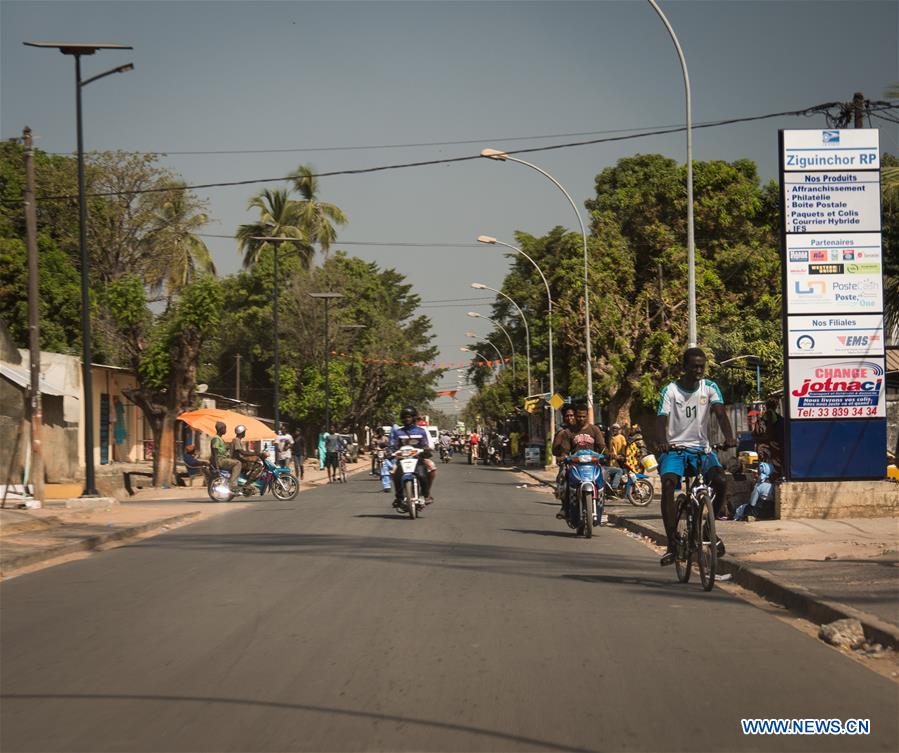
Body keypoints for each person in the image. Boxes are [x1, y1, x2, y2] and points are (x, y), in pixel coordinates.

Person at [657, 347, 737, 567]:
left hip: (702, 450)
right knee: (667, 485)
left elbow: (720, 413)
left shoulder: (709, 387)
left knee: (721, 480)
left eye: (702, 366)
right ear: (684, 367)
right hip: (675, 450)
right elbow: (661, 419)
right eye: (694, 366)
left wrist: (730, 437)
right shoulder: (670, 390)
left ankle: (707, 529)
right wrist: (662, 441)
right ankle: (672, 544)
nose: (699, 370)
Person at [554, 403, 606, 518]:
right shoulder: (569, 432)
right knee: (565, 478)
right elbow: (565, 450)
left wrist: (610, 454)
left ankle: (601, 506)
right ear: (576, 416)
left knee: (603, 476)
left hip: (592, 464)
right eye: (579, 416)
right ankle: (565, 506)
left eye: (583, 416)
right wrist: (563, 456)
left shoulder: (594, 430)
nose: (581, 419)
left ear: (588, 416)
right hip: (575, 465)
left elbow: (602, 446)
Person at [388, 406, 436, 505]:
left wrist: (425, 450)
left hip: (419, 459)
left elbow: (426, 444)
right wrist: (390, 452)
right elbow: (393, 445)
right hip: (402, 460)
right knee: (394, 474)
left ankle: (425, 494)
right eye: (404, 417)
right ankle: (399, 497)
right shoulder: (398, 432)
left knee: (424, 474)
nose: (407, 419)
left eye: (409, 417)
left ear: (414, 418)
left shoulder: (421, 431)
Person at [734, 452, 776, 521]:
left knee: (741, 508)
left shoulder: (759, 486)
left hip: (759, 512)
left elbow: (752, 503)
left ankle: (736, 519)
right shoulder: (774, 485)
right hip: (770, 512)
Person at [752, 397, 785, 475]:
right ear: (776, 406)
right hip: (775, 449)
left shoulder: (762, 420)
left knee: (765, 470)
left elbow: (755, 434)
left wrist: (761, 439)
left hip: (766, 450)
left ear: (766, 406)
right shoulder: (779, 419)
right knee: (776, 470)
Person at [210, 421, 242, 491]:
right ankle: (232, 484)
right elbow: (215, 452)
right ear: (221, 429)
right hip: (220, 460)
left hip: (222, 459)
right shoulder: (216, 439)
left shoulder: (220, 439)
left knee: (236, 461)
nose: (226, 430)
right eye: (225, 428)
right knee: (238, 463)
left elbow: (222, 449)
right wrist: (217, 465)